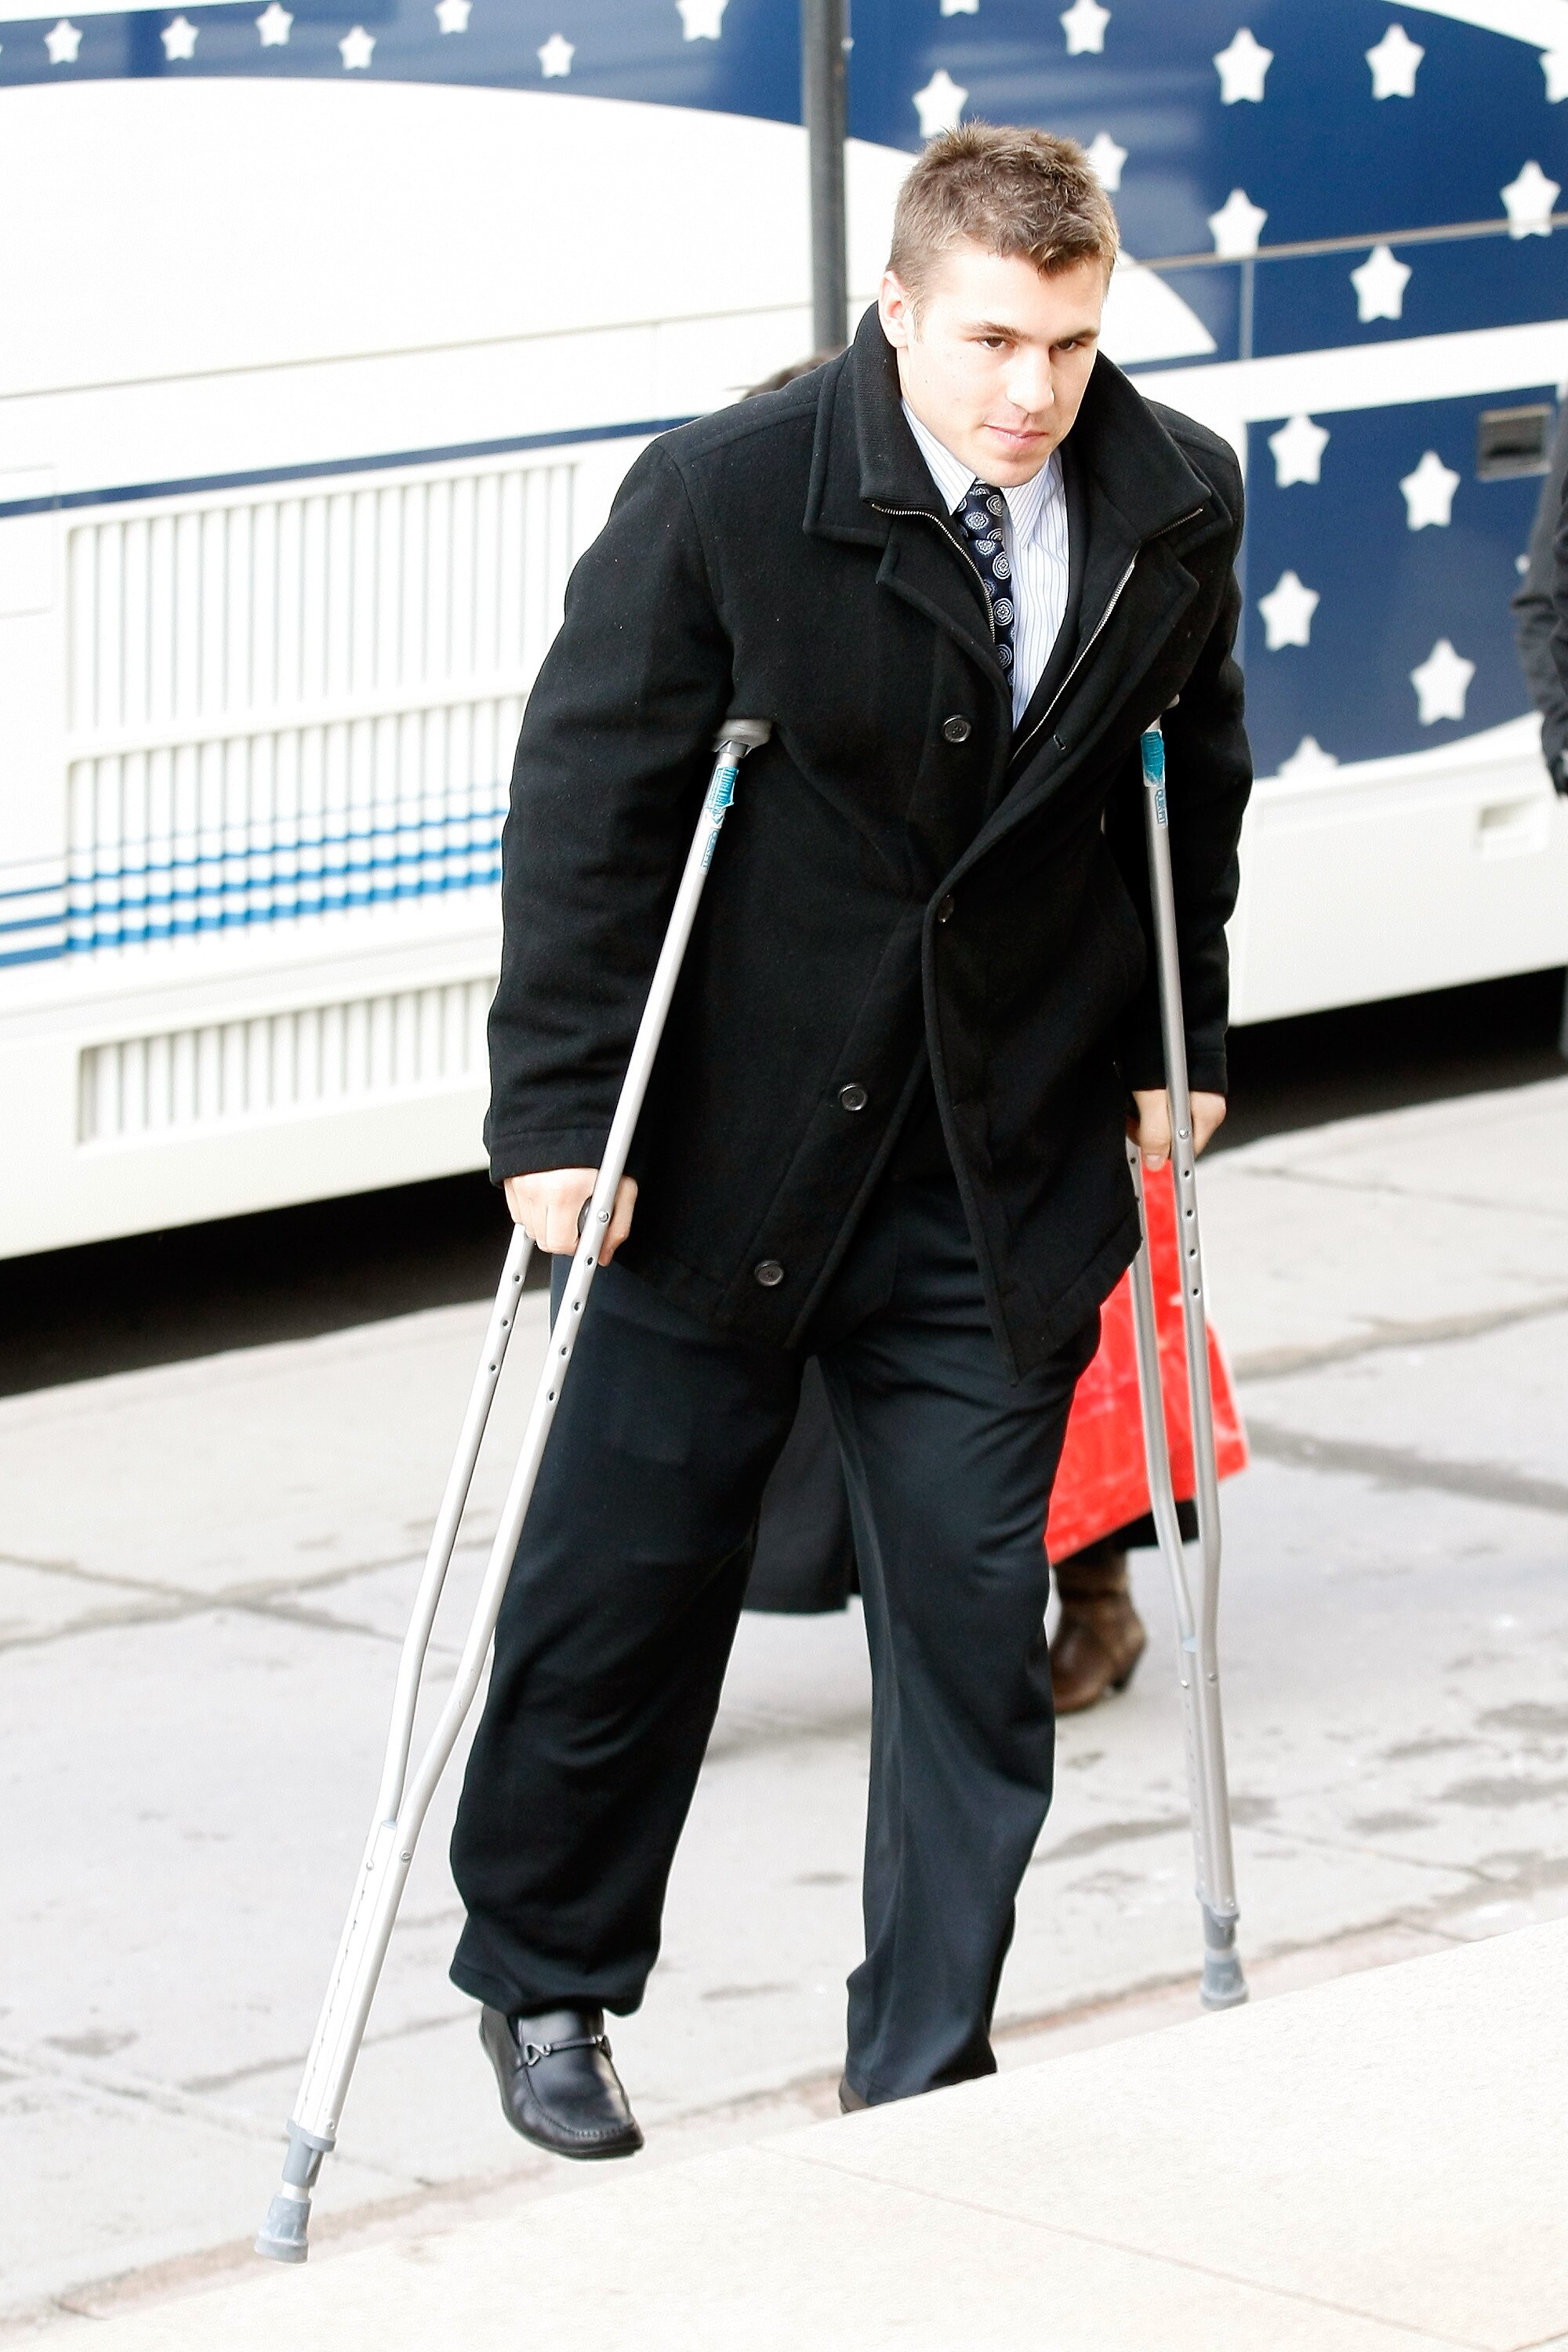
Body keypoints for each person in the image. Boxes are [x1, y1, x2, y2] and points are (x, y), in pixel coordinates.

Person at [448, 122, 1250, 2157]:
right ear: (898, 307)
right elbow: (592, 807)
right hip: (717, 1163)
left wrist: (1188, 1028)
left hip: (991, 1180)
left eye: (1069, 344)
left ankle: (923, 2064)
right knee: (622, 1598)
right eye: (992, 339)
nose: (1031, 393)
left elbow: (1196, 786)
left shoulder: (1168, 506)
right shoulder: (730, 494)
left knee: (977, 1645)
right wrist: (557, 1107)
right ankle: (547, 1983)